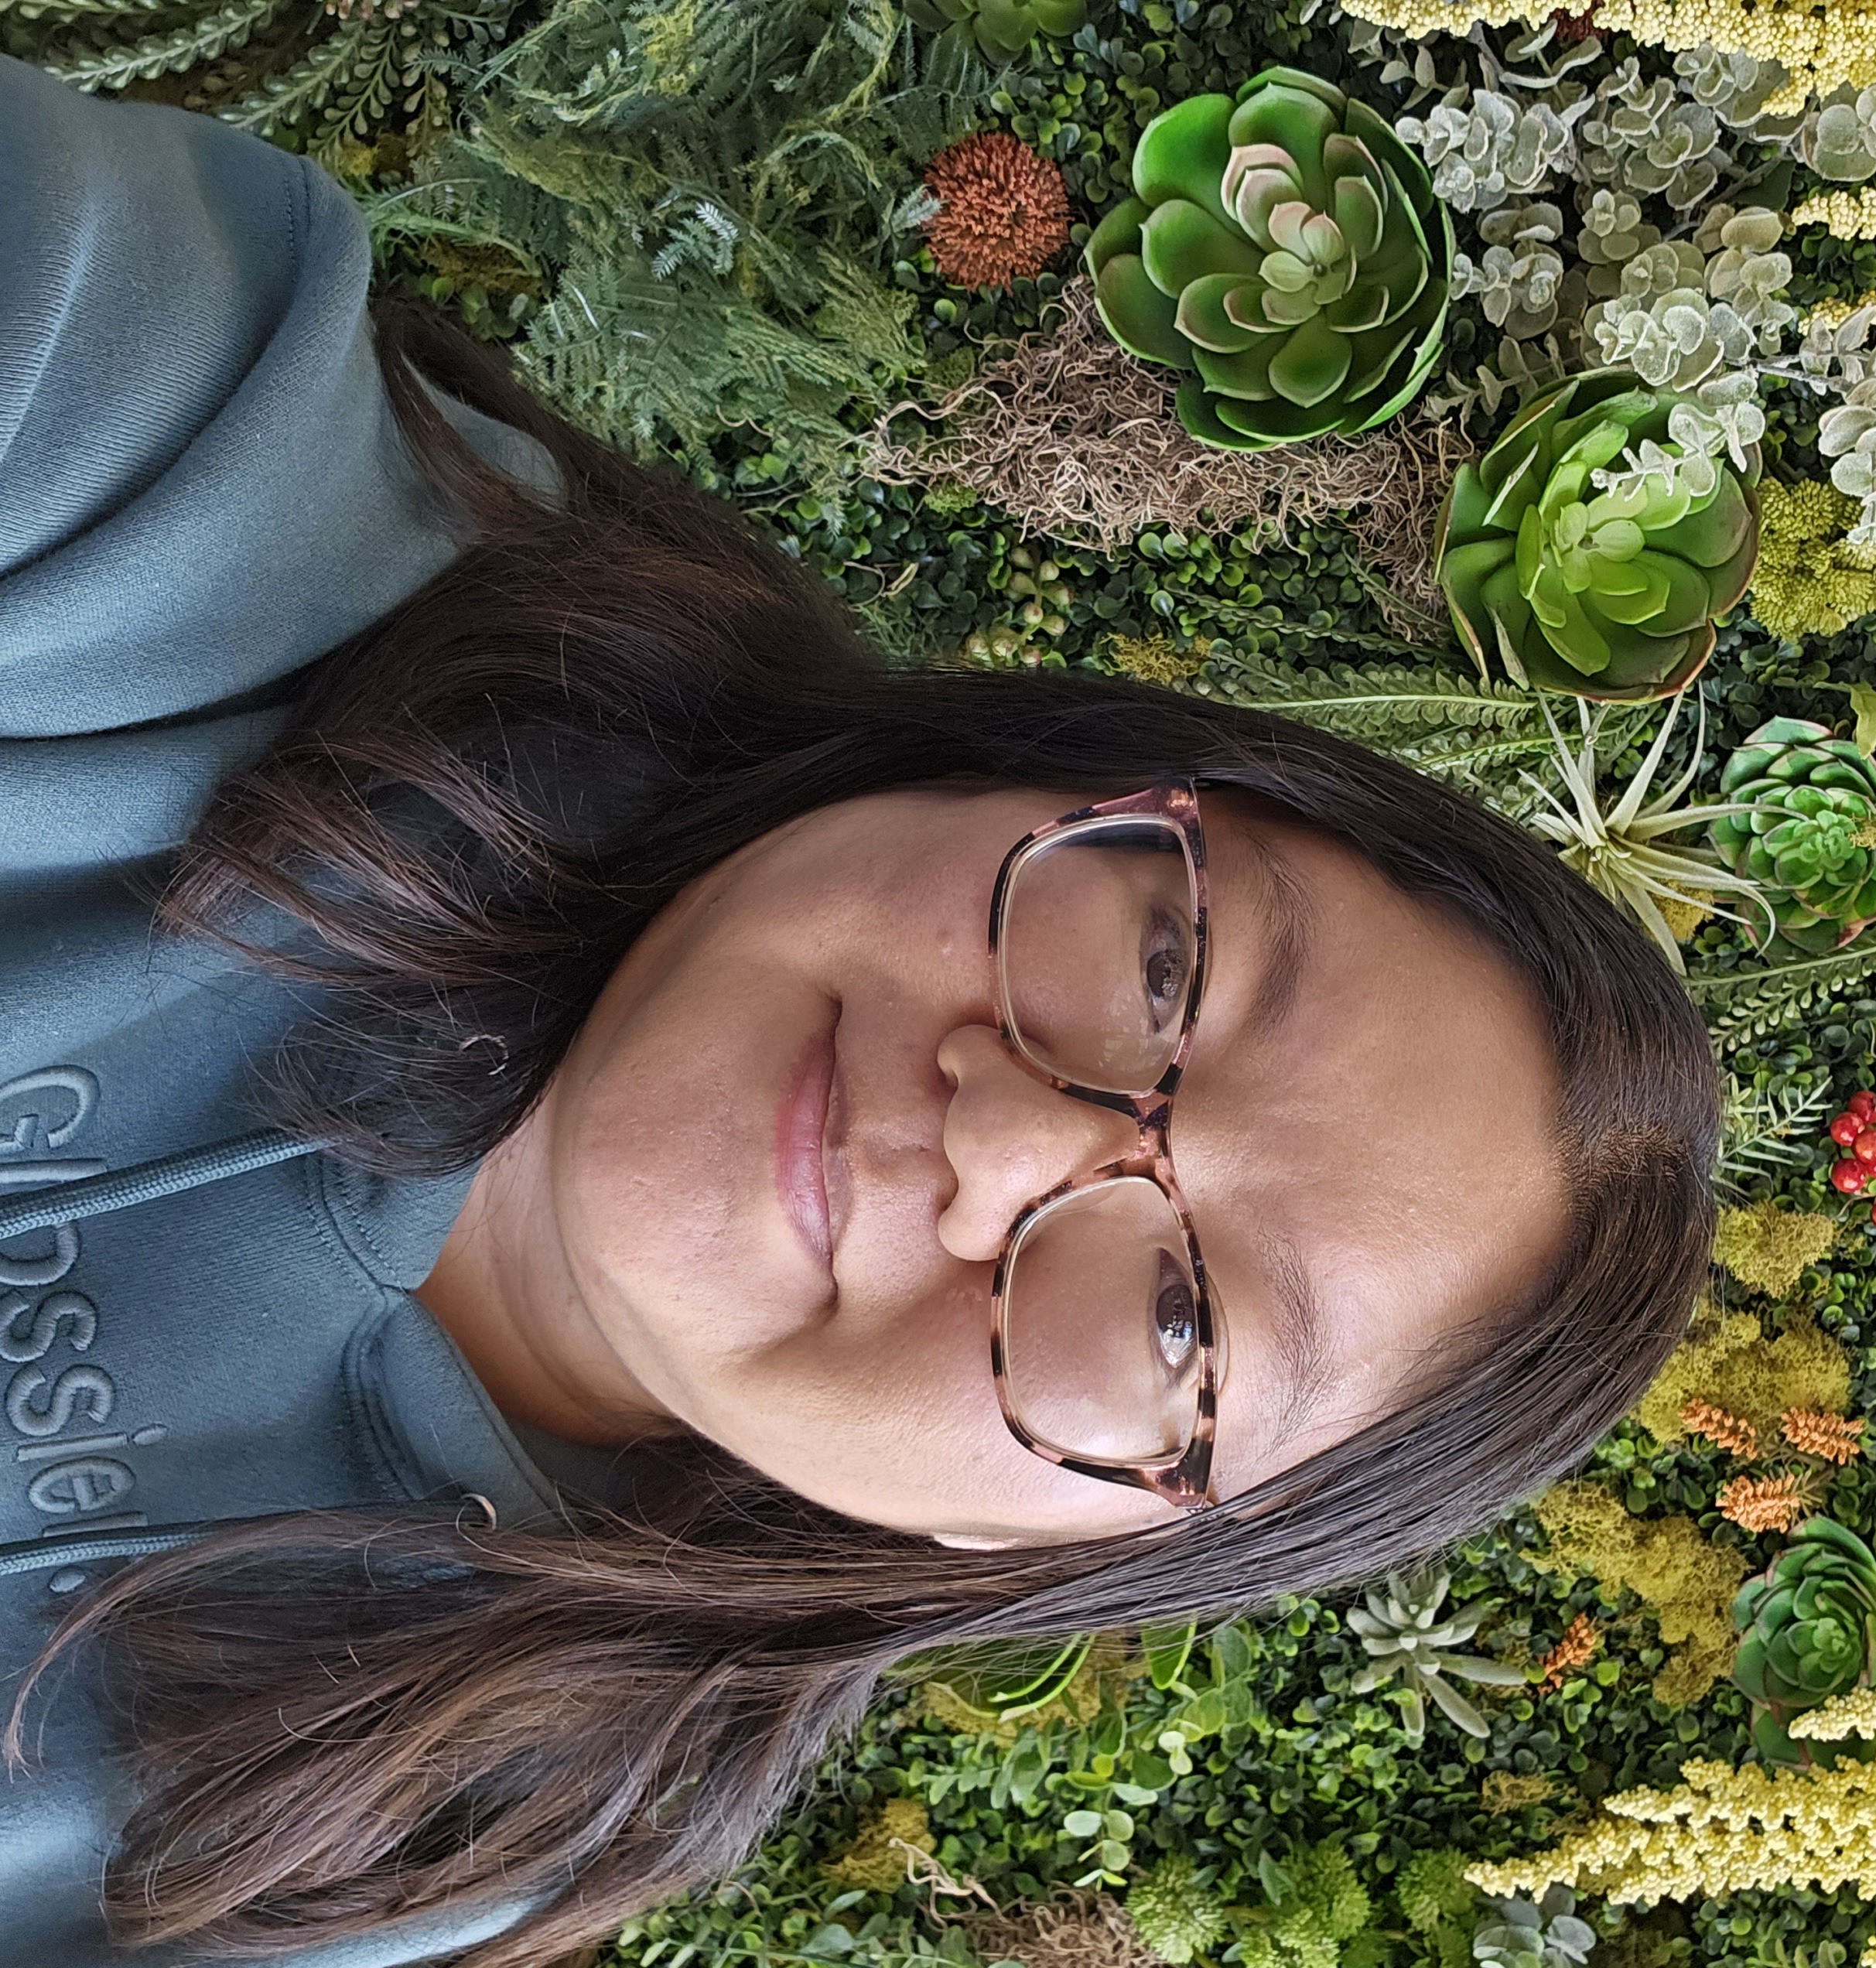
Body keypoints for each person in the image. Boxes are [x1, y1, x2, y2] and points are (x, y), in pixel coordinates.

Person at [0, 51, 1719, 1968]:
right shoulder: (183, 455)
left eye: (1177, 1320)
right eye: (1166, 968)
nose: (1005, 1138)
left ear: (1048, 1552)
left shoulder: (411, 1821)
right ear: (1051, 766)